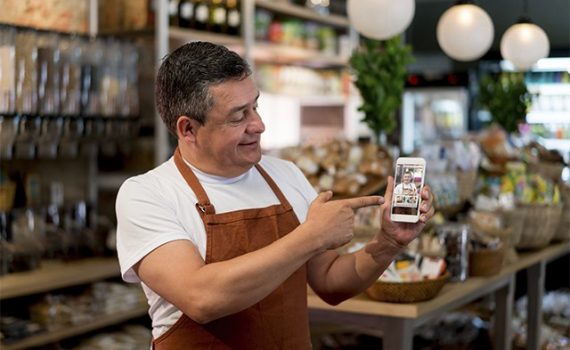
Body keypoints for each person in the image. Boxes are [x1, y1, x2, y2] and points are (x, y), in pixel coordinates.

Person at [115, 42, 434, 349]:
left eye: (255, 106)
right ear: (188, 130)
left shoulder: (285, 175)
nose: (259, 125)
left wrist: (388, 243)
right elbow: (202, 298)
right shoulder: (148, 194)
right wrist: (310, 237)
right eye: (239, 116)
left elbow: (330, 281)